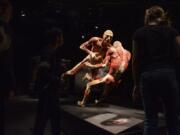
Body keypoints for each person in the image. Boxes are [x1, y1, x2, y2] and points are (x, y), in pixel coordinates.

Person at [132, 5, 180, 135]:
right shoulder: (172, 31)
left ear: (147, 16)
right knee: (172, 119)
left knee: (150, 119)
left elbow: (135, 61)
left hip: (147, 76)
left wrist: (136, 84)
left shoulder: (139, 33)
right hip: (167, 74)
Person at [78, 41, 131, 107]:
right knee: (106, 88)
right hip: (118, 79)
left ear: (115, 46)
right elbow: (125, 65)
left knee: (89, 84)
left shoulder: (112, 50)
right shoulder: (128, 53)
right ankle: (99, 102)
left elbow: (103, 64)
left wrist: (90, 65)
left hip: (110, 76)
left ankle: (83, 102)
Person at [33, 27, 63, 135]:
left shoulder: (52, 51)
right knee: (43, 121)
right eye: (61, 36)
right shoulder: (48, 52)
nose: (62, 39)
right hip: (47, 92)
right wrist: (57, 80)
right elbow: (43, 72)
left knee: (52, 122)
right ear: (56, 38)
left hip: (51, 92)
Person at [0, 0, 15, 135]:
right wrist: (10, 84)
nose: (10, 15)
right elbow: (5, 58)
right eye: (9, 12)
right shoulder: (3, 27)